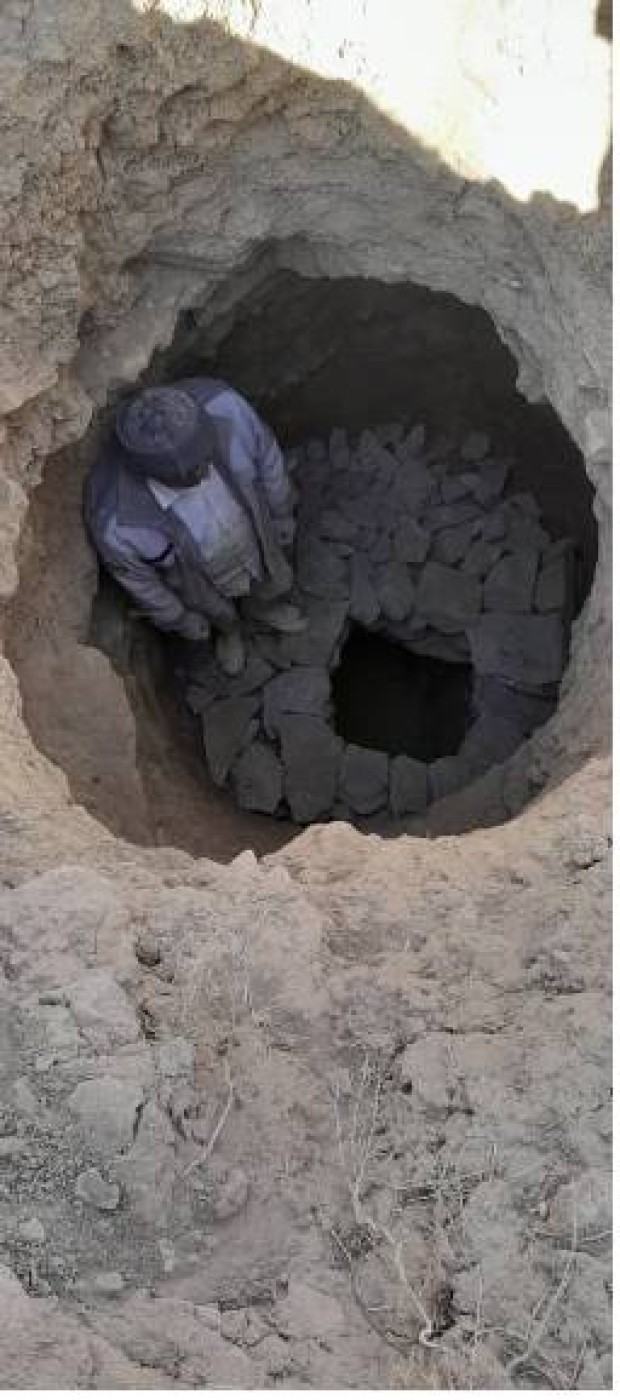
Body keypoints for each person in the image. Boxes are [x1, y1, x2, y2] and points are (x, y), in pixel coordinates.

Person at [84, 377, 306, 676]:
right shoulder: (118, 522)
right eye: (191, 473)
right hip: (200, 584)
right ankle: (230, 632)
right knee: (218, 612)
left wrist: (282, 514)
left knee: (267, 578)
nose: (204, 472)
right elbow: (141, 582)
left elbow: (269, 461)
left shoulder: (227, 408)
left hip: (255, 538)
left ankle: (265, 609)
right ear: (152, 474)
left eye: (205, 458)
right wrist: (180, 619)